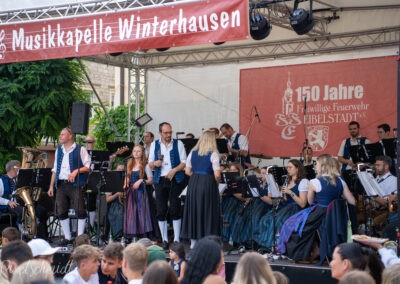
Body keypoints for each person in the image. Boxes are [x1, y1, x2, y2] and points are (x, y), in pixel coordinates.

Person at [279, 155, 356, 262]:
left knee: (293, 225)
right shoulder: (341, 181)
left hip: (320, 214)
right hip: (338, 217)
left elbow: (310, 202)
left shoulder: (314, 182)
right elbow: (352, 201)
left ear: (323, 167)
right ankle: (316, 249)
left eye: (317, 165)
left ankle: (302, 254)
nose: (315, 167)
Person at [48, 127, 91, 245]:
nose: (60, 136)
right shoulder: (59, 150)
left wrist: (76, 171)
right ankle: (67, 238)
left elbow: (88, 166)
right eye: (60, 134)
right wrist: (51, 186)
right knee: (61, 211)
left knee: (80, 210)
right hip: (61, 184)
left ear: (70, 136)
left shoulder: (80, 149)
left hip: (75, 184)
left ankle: (80, 238)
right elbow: (55, 169)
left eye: (63, 134)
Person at [254, 159, 308, 251]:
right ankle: (266, 244)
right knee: (265, 219)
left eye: (290, 167)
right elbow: (285, 200)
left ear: (297, 168)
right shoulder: (287, 181)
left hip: (296, 209)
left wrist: (290, 192)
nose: (288, 169)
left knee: (277, 221)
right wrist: (280, 196)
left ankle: (275, 246)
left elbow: (302, 203)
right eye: (287, 167)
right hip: (286, 207)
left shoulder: (303, 182)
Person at [148, 122, 186, 249]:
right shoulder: (154, 144)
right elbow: (150, 163)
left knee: (175, 208)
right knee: (161, 209)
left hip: (175, 178)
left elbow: (184, 162)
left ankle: (175, 238)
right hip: (160, 179)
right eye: (166, 133)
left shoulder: (178, 144)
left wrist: (174, 170)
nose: (169, 135)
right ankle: (164, 239)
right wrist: (155, 164)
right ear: (160, 133)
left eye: (170, 132)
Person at [181, 130, 221, 249]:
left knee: (194, 210)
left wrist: (197, 175)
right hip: (208, 183)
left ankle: (193, 242)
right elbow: (217, 175)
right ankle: (208, 241)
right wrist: (216, 183)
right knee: (208, 211)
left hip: (193, 183)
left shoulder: (192, 153)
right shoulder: (213, 154)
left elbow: (187, 171)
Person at [124, 145, 153, 239]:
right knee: (132, 213)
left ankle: (143, 234)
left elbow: (151, 180)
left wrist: (141, 180)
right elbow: (128, 177)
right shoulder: (129, 164)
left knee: (141, 212)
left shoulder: (146, 165)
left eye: (138, 151)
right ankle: (133, 235)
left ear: (142, 153)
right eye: (134, 151)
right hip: (131, 192)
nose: (136, 153)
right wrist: (126, 181)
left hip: (141, 192)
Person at [84, 134, 97, 233]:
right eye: (86, 142)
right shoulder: (80, 153)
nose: (88, 144)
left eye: (90, 142)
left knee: (91, 202)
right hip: (81, 180)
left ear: (94, 143)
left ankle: (91, 228)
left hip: (92, 182)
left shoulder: (97, 154)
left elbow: (104, 168)